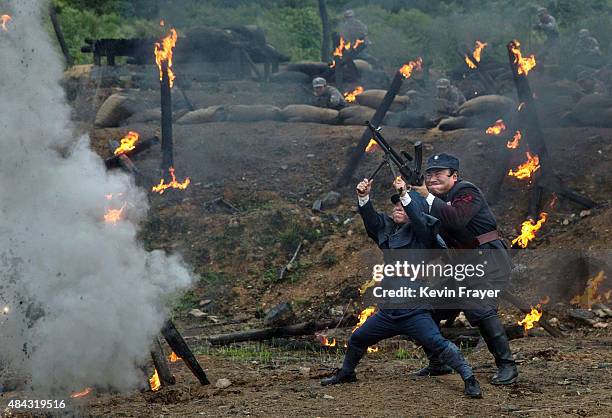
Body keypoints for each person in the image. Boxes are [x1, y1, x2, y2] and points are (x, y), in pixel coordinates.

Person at [320, 176, 483, 398]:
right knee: (358, 338)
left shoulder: (423, 233)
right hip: (389, 311)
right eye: (395, 204)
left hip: (414, 310)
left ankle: (469, 378)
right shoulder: (389, 231)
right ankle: (347, 373)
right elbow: (371, 221)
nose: (397, 207)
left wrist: (406, 195)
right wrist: (363, 196)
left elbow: (418, 219)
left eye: (402, 204)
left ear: (414, 209)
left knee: (438, 343)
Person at [412, 153, 518, 386]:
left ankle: (507, 366)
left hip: (487, 260)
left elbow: (457, 219)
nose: (432, 178)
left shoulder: (466, 191)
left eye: (439, 173)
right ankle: (439, 363)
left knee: (479, 309)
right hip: (461, 265)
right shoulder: (433, 200)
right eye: (429, 174)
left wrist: (427, 196)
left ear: (454, 176)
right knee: (424, 308)